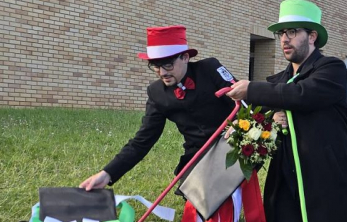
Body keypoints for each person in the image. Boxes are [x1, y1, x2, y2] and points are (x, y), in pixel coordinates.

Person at [226, 0, 347, 222]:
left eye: (292, 32)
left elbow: (302, 95)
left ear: (312, 36)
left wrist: (252, 89)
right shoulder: (278, 80)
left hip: (326, 176)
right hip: (287, 174)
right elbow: (263, 115)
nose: (284, 39)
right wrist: (258, 123)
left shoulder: (331, 69)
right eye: (281, 33)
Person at [80, 26, 236, 190]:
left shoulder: (210, 69)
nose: (162, 73)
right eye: (155, 66)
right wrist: (108, 173)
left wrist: (241, 123)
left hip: (233, 146)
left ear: (185, 57)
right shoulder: (156, 93)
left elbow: (245, 102)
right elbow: (142, 140)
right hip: (197, 156)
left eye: (167, 65)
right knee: (197, 196)